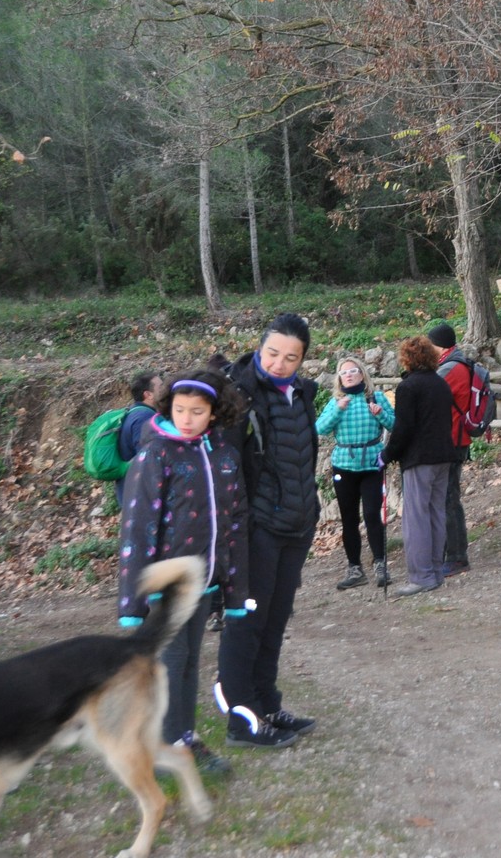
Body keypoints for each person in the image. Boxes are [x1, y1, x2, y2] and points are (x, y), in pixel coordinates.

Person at [117, 368, 249, 776]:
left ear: (214, 412)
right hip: (165, 585)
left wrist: (234, 591)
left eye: (197, 411)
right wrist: (134, 600)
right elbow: (138, 526)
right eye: (179, 410)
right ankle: (166, 748)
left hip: (202, 584)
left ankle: (183, 737)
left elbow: (234, 524)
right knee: (171, 662)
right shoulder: (156, 454)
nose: (187, 419)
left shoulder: (223, 456)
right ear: (168, 408)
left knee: (191, 661)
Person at [217, 313, 320, 749]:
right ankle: (243, 719)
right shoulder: (237, 396)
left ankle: (267, 704)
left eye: (290, 358)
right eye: (272, 353)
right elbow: (227, 471)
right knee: (247, 624)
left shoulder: (302, 394)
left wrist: (310, 511)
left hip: (296, 526)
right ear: (260, 348)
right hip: (256, 530)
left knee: (275, 622)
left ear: (301, 361)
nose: (279, 363)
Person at [383, 336, 457, 596]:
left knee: (416, 518)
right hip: (443, 456)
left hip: (420, 459)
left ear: (407, 359)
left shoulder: (408, 387)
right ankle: (435, 571)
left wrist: (386, 455)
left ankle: (421, 576)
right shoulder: (440, 383)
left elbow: (403, 429)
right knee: (436, 513)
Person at [315, 356, 394, 591]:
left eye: (352, 371)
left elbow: (395, 425)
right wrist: (338, 411)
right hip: (343, 466)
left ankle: (380, 565)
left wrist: (380, 414)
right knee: (349, 518)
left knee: (372, 514)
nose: (348, 375)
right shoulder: (336, 402)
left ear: (362, 374)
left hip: (372, 465)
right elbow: (320, 429)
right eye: (344, 372)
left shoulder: (376, 397)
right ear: (339, 378)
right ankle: (354, 569)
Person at [429, 323, 474, 575]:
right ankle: (450, 552)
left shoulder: (450, 369)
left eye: (431, 345)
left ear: (439, 346)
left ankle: (457, 556)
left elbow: (429, 395)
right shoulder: (456, 364)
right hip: (456, 439)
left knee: (448, 499)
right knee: (447, 497)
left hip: (452, 441)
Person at [115, 370, 165, 504]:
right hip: (138, 496)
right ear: (148, 395)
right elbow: (147, 459)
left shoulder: (135, 413)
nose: (165, 389)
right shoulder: (144, 418)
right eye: (160, 386)